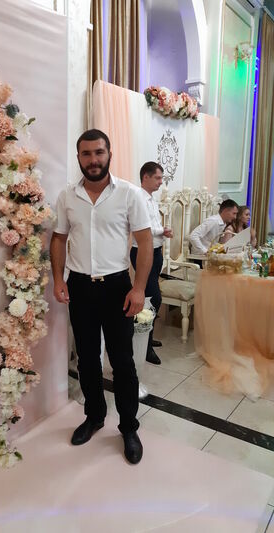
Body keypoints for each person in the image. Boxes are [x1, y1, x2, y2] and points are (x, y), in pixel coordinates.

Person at [50, 129, 153, 465]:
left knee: (122, 361)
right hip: (80, 287)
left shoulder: (129, 194)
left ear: (109, 154)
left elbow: (145, 243)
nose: (93, 160)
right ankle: (94, 416)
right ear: (78, 157)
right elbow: (58, 238)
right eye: (86, 154)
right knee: (87, 359)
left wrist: (139, 288)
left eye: (98, 152)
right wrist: (58, 278)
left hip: (117, 288)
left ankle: (128, 427)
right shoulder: (67, 196)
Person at [130, 162, 173, 366]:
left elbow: (153, 225)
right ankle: (143, 345)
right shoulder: (138, 197)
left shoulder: (151, 199)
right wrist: (162, 231)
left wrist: (162, 230)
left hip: (155, 251)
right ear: (145, 177)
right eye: (157, 178)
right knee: (152, 298)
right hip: (142, 252)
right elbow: (142, 227)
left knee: (151, 297)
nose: (160, 182)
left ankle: (146, 338)